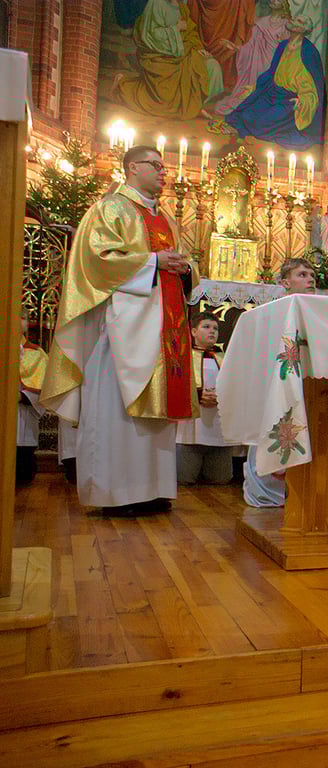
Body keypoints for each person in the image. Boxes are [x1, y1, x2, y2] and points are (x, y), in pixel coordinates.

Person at [41, 145, 197, 516]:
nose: (164, 172)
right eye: (155, 165)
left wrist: (185, 269)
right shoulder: (111, 208)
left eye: (164, 166)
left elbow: (181, 263)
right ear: (131, 168)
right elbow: (95, 260)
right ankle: (116, 494)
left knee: (156, 413)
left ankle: (153, 490)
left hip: (163, 323)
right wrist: (154, 261)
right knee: (117, 408)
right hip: (124, 326)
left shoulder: (165, 217)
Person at [241, 257, 315, 507]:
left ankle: (301, 492)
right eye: (302, 274)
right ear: (285, 282)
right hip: (278, 385)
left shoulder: (317, 310)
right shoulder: (274, 311)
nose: (310, 279)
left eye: (311, 275)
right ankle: (268, 489)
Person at [216, 18, 325, 149]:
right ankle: (239, 129)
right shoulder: (283, 45)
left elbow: (314, 86)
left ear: (305, 29)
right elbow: (272, 71)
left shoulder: (309, 52)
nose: (295, 22)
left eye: (300, 22)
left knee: (261, 123)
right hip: (272, 91)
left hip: (290, 100)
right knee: (246, 114)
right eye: (295, 20)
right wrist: (254, 87)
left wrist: (302, 101)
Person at [113, 0, 225, 121]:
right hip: (160, 55)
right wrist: (175, 28)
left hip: (183, 52)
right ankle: (122, 85)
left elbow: (190, 32)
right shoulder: (156, 4)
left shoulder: (181, 7)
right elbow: (149, 35)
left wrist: (198, 48)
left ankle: (195, 105)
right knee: (164, 99)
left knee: (212, 67)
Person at [177, 313, 235, 485]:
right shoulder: (183, 356)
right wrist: (198, 395)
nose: (212, 332)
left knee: (221, 481)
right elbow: (174, 386)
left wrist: (221, 397)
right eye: (206, 327)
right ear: (193, 331)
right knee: (183, 481)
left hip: (219, 430)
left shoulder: (225, 358)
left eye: (215, 328)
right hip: (189, 430)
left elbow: (236, 386)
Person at [17, 311, 48, 486]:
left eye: (23, 317)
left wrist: (22, 396)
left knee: (23, 472)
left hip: (24, 415)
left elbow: (43, 390)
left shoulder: (36, 353)